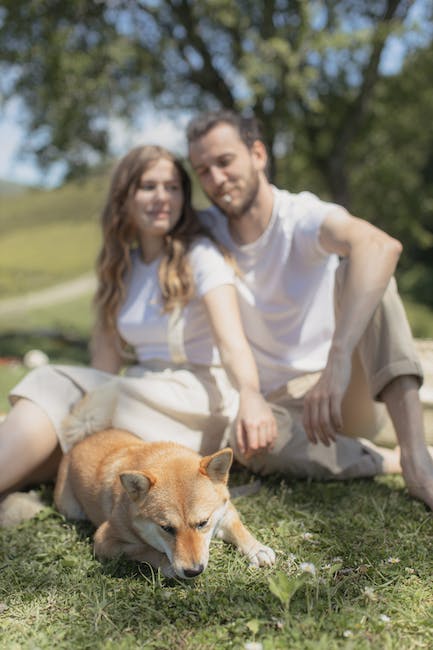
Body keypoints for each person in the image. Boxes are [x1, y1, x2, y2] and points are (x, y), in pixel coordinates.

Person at [0, 144, 276, 506]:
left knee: (52, 386)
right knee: (55, 429)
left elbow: (232, 343)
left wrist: (251, 396)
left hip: (194, 396)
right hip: (139, 393)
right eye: (148, 186)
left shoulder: (201, 256)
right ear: (125, 197)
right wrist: (83, 416)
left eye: (173, 187)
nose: (162, 197)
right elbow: (104, 368)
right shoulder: (120, 268)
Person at [186, 108, 433, 510]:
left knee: (367, 270)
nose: (216, 179)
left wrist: (336, 362)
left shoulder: (298, 216)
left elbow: (381, 246)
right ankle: (385, 458)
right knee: (249, 445)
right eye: (203, 171)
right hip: (282, 410)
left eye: (224, 161)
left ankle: (417, 459)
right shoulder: (205, 231)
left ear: (258, 155)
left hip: (342, 387)